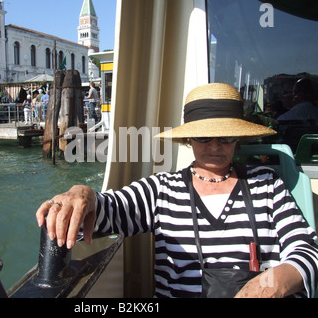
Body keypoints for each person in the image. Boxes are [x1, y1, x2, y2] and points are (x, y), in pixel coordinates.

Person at [36, 83, 318, 298]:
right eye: (204, 136)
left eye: (226, 136)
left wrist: (278, 280)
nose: (215, 145)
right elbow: (110, 210)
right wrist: (82, 194)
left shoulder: (266, 184)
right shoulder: (161, 189)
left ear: (238, 138)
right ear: (189, 139)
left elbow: (307, 249)